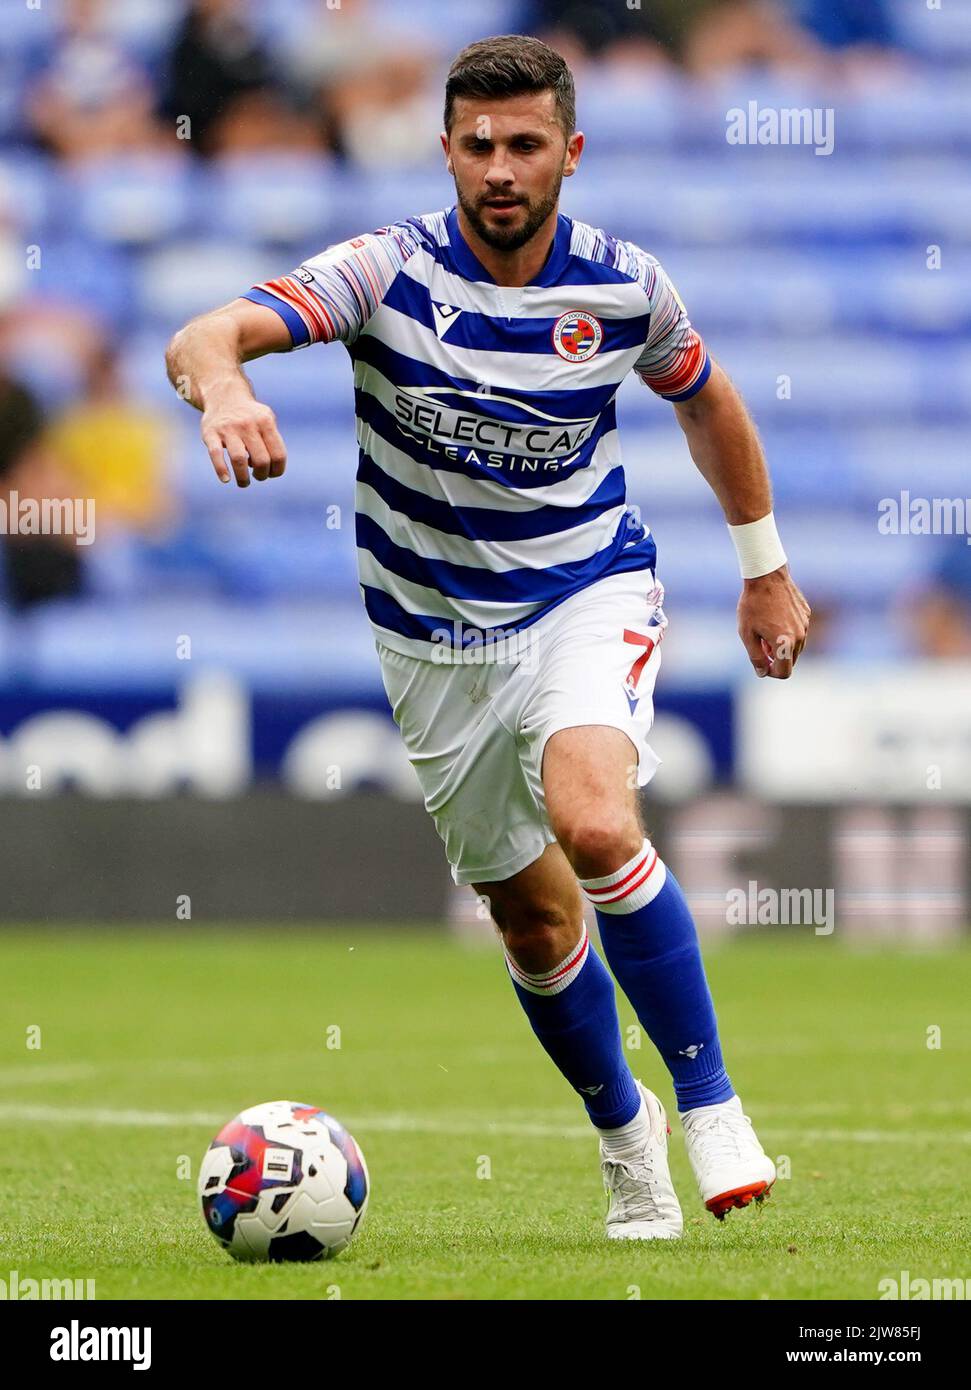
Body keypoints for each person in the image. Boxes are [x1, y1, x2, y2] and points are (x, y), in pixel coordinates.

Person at [166, 34, 810, 1240]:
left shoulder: (624, 287)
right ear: (446, 150)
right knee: (531, 921)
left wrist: (763, 570)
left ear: (570, 152)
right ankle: (627, 1140)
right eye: (477, 145)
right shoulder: (384, 270)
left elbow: (707, 396)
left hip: (584, 590)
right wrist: (230, 388)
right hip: (429, 635)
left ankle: (711, 1101)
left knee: (596, 819)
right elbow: (202, 336)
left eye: (524, 145)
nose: (499, 168)